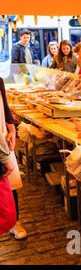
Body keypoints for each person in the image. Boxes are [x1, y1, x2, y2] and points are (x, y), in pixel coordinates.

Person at [0, 76, 25, 239]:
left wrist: (12, 128)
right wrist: (5, 158)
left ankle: (14, 221)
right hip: (1, 147)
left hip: (2, 139)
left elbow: (5, 106)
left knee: (11, 183)